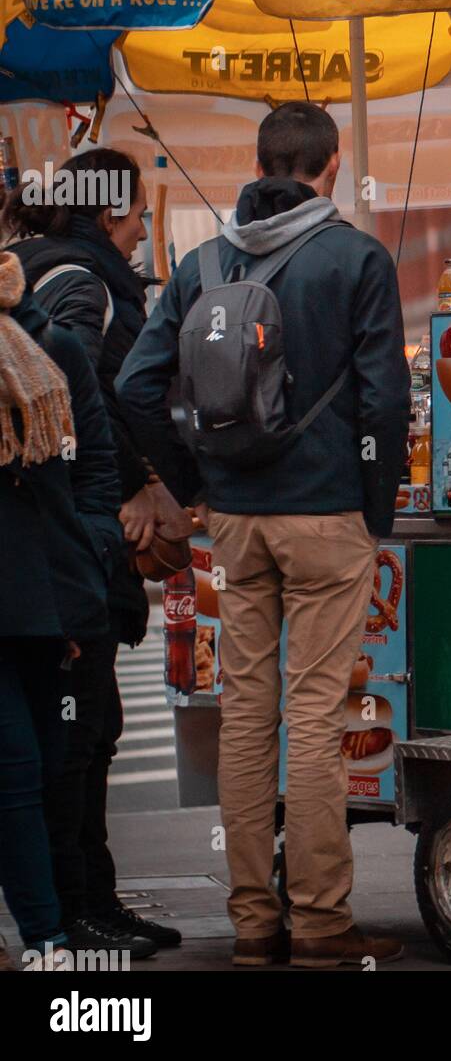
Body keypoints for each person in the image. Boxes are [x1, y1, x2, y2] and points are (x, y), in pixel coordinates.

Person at [116, 102, 411, 968]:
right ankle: (321, 924)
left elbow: (137, 386)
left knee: (246, 714)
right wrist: (372, 506)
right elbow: (385, 400)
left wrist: (201, 481)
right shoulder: (356, 258)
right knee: (314, 717)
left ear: (261, 163)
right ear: (330, 164)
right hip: (326, 517)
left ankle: (253, 923)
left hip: (236, 525)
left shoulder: (201, 263)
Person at [1, 149, 179, 956]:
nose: (143, 231)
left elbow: (83, 425)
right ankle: (70, 913)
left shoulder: (47, 285)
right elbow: (89, 407)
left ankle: (83, 907)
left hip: (57, 564)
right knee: (65, 748)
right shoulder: (85, 284)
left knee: (77, 742)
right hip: (55, 567)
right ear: (110, 213)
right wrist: (131, 493)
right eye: (138, 214)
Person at [0, 251, 123, 968]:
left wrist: (90, 560)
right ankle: (47, 942)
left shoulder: (49, 341)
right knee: (14, 769)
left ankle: (51, 932)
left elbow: (94, 471)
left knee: (50, 766)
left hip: (48, 600)